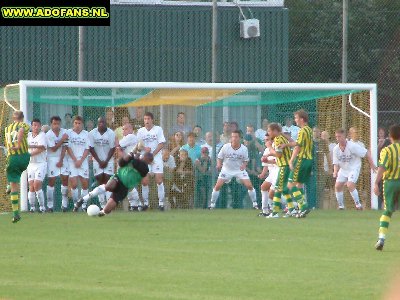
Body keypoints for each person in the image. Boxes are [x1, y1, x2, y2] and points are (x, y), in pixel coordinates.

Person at [74, 152, 154, 216]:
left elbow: (138, 165)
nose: (147, 161)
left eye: (148, 161)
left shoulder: (145, 169)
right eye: (146, 159)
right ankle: (83, 199)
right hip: (118, 177)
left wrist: (133, 156)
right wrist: (128, 157)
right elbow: (121, 163)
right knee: (108, 186)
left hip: (125, 188)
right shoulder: (135, 158)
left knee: (106, 210)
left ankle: (100, 213)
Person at [208, 130, 258, 210]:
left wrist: (244, 165)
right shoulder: (226, 147)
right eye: (232, 137)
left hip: (239, 170)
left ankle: (255, 204)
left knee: (249, 186)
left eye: (236, 137)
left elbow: (246, 160)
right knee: (217, 186)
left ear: (240, 138)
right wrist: (218, 164)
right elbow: (219, 157)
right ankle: (212, 205)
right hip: (226, 170)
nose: (234, 139)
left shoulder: (244, 148)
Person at [279, 110, 313, 217]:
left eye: (296, 118)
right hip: (308, 160)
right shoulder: (309, 130)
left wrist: (291, 159)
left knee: (290, 184)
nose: (295, 120)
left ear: (301, 119)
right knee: (299, 184)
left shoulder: (302, 131)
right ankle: (300, 208)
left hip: (301, 160)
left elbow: (297, 146)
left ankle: (303, 206)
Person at [332, 128, 376, 210]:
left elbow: (366, 152)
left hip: (354, 168)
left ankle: (358, 205)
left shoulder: (352, 146)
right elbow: (336, 163)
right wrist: (335, 172)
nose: (338, 139)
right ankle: (341, 206)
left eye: (340, 136)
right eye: (336, 137)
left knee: (350, 184)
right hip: (343, 169)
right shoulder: (336, 149)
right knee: (337, 186)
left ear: (344, 136)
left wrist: (372, 165)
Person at [374, 124, 400, 251]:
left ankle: (381, 239)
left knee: (387, 211)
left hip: (390, 183)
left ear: (390, 136)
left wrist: (375, 183)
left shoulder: (387, 150)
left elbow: (382, 168)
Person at [5, 110, 31, 223]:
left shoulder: (7, 128)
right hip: (25, 158)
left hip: (13, 158)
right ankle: (10, 185)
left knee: (13, 180)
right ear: (23, 118)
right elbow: (21, 130)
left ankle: (16, 214)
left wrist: (17, 145)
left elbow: (19, 131)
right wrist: (20, 144)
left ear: (13, 118)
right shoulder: (24, 125)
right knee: (15, 173)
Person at [137, 112, 166, 210]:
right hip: (144, 158)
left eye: (148, 119)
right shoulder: (140, 131)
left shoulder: (158, 129)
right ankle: (145, 204)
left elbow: (161, 143)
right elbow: (138, 146)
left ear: (152, 120)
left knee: (159, 180)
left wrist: (152, 155)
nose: (146, 121)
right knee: (144, 181)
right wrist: (145, 149)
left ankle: (161, 204)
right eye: (145, 119)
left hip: (156, 158)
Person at [264, 123, 294, 218]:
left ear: (275, 131)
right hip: (286, 166)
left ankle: (275, 212)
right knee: (284, 191)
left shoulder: (277, 139)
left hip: (283, 167)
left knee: (277, 189)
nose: (268, 133)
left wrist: (269, 147)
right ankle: (292, 209)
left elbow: (279, 155)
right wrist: (269, 155)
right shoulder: (283, 138)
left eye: (269, 131)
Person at [87, 117, 116, 209]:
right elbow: (91, 148)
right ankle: (102, 203)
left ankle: (108, 203)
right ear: (97, 123)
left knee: (108, 180)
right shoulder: (92, 133)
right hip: (97, 161)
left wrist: (106, 161)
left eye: (103, 122)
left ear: (106, 123)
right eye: (100, 123)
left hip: (109, 160)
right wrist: (99, 161)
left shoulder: (111, 133)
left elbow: (112, 148)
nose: (101, 124)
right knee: (100, 180)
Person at [46, 116, 69, 212]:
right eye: (54, 124)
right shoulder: (48, 135)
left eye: (58, 124)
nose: (56, 126)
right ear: (51, 124)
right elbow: (53, 148)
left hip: (62, 159)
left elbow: (64, 147)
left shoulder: (64, 132)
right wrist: (62, 140)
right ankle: (50, 206)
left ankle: (64, 205)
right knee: (51, 181)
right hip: (52, 159)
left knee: (65, 179)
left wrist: (61, 160)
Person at [66, 116, 90, 210]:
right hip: (72, 161)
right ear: (73, 123)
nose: (77, 125)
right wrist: (75, 160)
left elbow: (87, 149)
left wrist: (80, 160)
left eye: (79, 123)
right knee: (74, 183)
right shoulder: (69, 133)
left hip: (83, 161)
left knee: (84, 183)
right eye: (76, 123)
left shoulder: (86, 134)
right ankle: (76, 204)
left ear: (82, 124)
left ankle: (84, 205)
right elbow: (68, 147)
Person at [116, 123, 141, 211]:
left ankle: (138, 204)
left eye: (125, 129)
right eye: (122, 129)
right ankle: (134, 205)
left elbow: (117, 145)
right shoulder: (125, 138)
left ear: (131, 129)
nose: (123, 131)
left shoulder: (131, 136)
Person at [27, 119, 48, 213]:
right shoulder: (28, 136)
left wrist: (29, 154)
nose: (35, 127)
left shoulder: (42, 135)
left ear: (40, 126)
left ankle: (42, 207)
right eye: (34, 125)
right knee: (31, 186)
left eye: (37, 125)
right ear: (31, 126)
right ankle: (32, 207)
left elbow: (42, 148)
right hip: (30, 164)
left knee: (37, 185)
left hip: (41, 163)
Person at [258, 134, 279, 217]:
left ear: (272, 140)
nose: (266, 141)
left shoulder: (276, 148)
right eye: (265, 140)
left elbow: (279, 162)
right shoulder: (266, 150)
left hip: (278, 171)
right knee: (263, 187)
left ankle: (294, 206)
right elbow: (266, 165)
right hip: (272, 174)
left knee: (273, 194)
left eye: (268, 139)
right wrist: (263, 174)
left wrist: (267, 160)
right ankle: (265, 211)